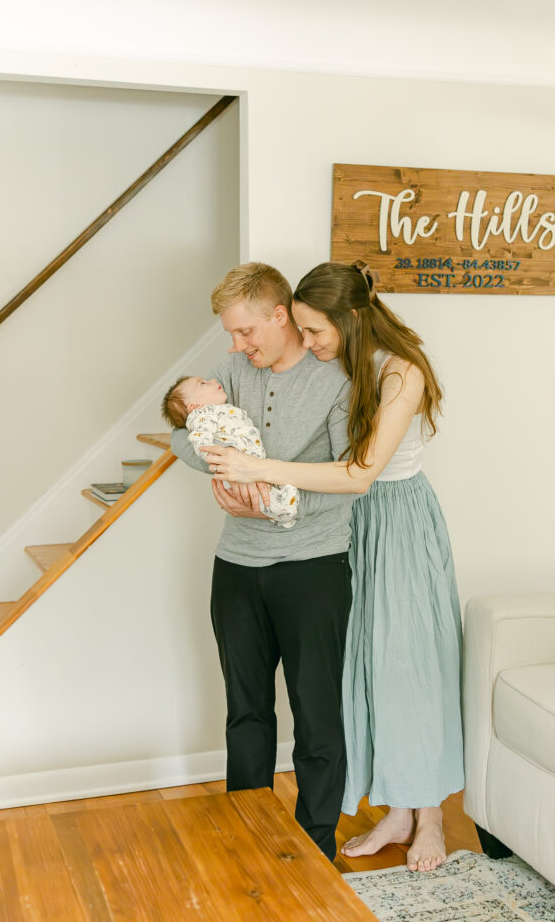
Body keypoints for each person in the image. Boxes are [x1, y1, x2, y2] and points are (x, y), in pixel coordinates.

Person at [203, 260, 464, 874]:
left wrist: (259, 473)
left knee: (408, 666)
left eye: (316, 331)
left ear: (350, 320)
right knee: (367, 673)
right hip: (353, 529)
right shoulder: (339, 366)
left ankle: (430, 817)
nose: (311, 344)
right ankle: (397, 812)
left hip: (392, 521)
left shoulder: (403, 372)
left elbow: (360, 473)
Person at [169, 262, 354, 862]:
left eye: (246, 332)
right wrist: (221, 473)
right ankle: (248, 835)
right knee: (246, 710)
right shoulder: (231, 370)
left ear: (281, 316)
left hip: (313, 567)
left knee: (315, 710)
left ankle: (316, 844)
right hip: (236, 565)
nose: (235, 345)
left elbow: (352, 475)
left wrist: (276, 499)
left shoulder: (338, 379)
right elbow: (182, 432)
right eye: (231, 334)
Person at [161, 374, 299, 527]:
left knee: (272, 486)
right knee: (266, 496)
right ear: (194, 407)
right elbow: (200, 442)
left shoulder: (219, 410)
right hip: (236, 471)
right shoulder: (202, 416)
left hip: (251, 465)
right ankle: (285, 514)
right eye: (203, 383)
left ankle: (284, 506)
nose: (213, 381)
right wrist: (225, 458)